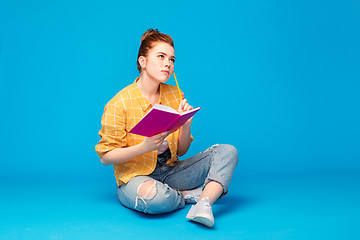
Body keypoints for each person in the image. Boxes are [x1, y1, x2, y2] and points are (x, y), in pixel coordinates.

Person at [95, 28, 238, 228]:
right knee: (156, 200)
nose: (167, 63)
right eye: (161, 57)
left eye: (171, 59)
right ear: (143, 62)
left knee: (227, 151)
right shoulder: (119, 104)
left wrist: (186, 122)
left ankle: (204, 203)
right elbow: (105, 157)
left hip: (170, 172)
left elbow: (180, 151)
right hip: (135, 177)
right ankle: (188, 196)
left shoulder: (174, 94)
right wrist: (144, 147)